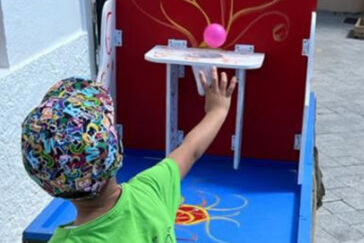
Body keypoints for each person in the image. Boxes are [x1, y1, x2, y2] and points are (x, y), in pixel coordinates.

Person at [21, 67, 236, 243]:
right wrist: (218, 111)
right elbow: (191, 150)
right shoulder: (150, 190)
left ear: (47, 185)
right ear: (116, 152)